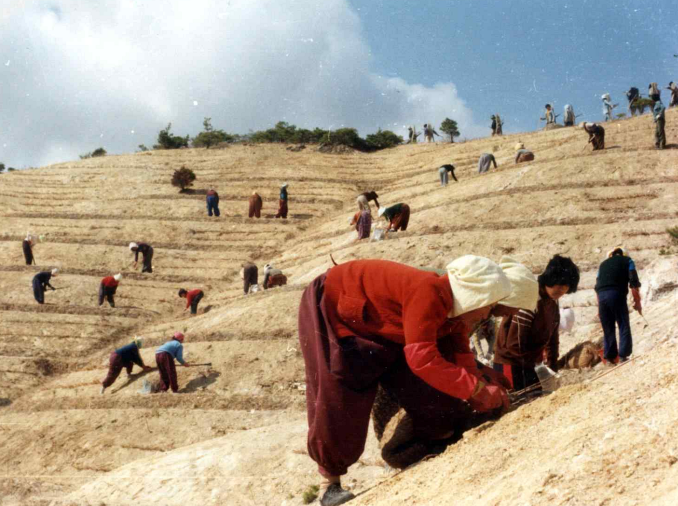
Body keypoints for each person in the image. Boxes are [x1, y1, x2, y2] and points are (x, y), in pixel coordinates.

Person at [299, 256, 515, 505]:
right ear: (476, 295)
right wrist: (475, 390)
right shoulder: (428, 291)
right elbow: (422, 358)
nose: (488, 313)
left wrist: (482, 385)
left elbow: (461, 355)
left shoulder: (454, 312)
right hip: (338, 311)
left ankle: (434, 440)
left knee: (430, 382)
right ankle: (329, 483)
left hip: (385, 324)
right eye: (489, 305)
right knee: (339, 391)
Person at [494, 255, 580, 391]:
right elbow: (514, 344)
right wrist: (537, 365)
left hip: (529, 363)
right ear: (551, 279)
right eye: (560, 287)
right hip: (511, 363)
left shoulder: (552, 301)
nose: (562, 291)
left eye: (565, 289)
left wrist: (552, 367)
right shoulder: (531, 297)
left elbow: (553, 336)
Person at [595, 247, 642, 364]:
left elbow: (597, 285)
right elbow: (633, 281)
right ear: (623, 254)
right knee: (623, 323)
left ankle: (610, 358)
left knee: (608, 327)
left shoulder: (602, 265)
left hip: (601, 297)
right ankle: (623, 356)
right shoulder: (628, 260)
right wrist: (637, 302)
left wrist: (599, 307)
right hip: (616, 294)